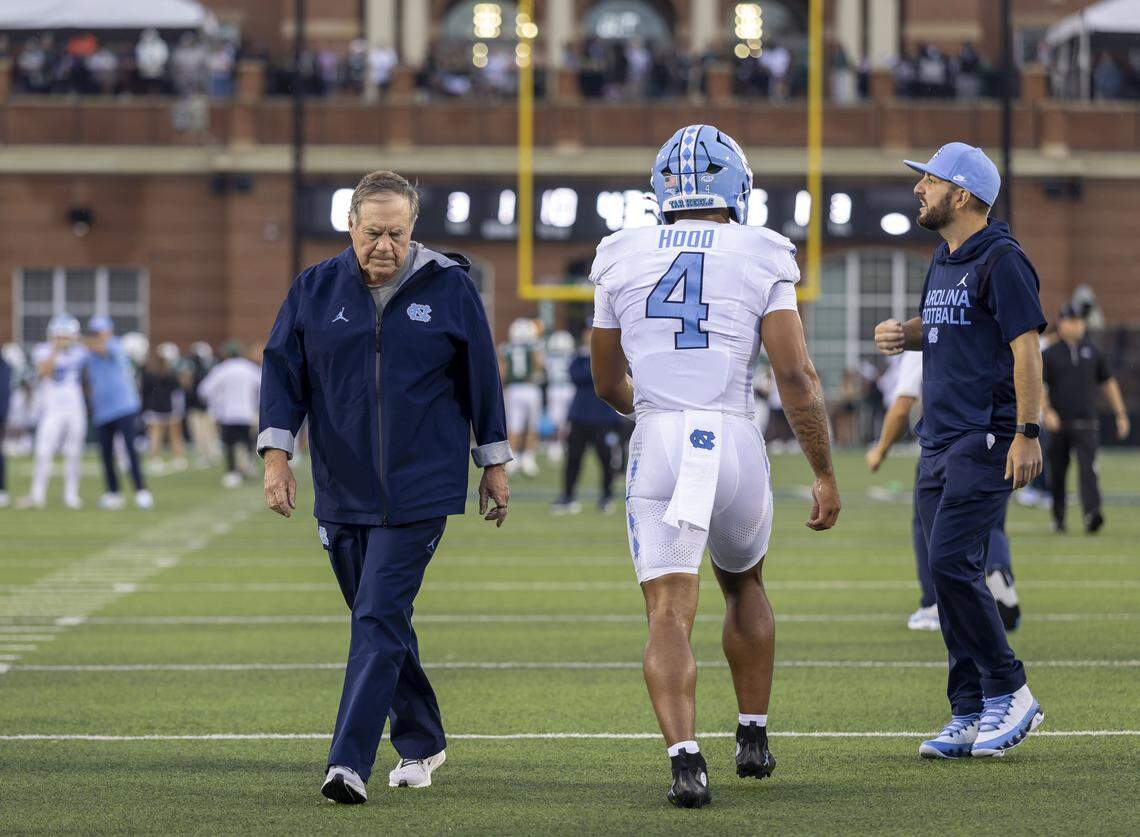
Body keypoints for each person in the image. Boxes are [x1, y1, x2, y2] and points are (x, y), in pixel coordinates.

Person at [590, 124, 841, 808]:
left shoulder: (619, 251)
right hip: (731, 434)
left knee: (668, 613)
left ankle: (684, 760)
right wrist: (822, 469)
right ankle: (753, 734)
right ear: (737, 188)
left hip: (664, 433)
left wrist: (656, 410)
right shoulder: (762, 249)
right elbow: (796, 374)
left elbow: (607, 380)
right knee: (745, 582)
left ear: (660, 193)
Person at [258, 170, 512, 805]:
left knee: (376, 615)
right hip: (340, 487)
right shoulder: (314, 289)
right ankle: (423, 739)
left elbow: (483, 375)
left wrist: (495, 463)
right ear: (351, 227)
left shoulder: (449, 287)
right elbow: (282, 373)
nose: (385, 246)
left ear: (412, 229)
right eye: (373, 233)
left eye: (397, 234)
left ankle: (348, 762)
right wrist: (276, 457)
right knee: (379, 617)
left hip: (422, 488)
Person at [874, 141, 1046, 760]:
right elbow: (952, 325)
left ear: (963, 194)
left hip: (986, 435)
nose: (919, 188)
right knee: (944, 578)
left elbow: (1025, 347)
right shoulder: (944, 257)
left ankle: (1011, 690)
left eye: (930, 180)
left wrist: (1028, 434)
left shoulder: (1002, 258)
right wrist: (907, 333)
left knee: (951, 564)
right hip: (938, 438)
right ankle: (968, 708)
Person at [866, 350, 1020, 632]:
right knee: (989, 521)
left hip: (945, 444)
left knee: (928, 526)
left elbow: (903, 403)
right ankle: (998, 570)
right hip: (993, 438)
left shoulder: (935, 325)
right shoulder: (983, 323)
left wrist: (880, 449)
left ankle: (935, 603)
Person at [1042, 304, 1130, 533]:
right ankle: (1058, 517)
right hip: (1059, 424)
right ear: (1061, 323)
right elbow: (1040, 386)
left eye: (1080, 321)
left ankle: (1092, 514)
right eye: (1072, 320)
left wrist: (1120, 414)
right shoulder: (1049, 354)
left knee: (1089, 470)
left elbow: (1108, 383)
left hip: (1086, 423)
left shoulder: (1093, 351)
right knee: (1058, 472)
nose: (1077, 325)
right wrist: (1047, 411)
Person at [550, 324, 622, 515]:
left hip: (604, 418)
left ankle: (607, 497)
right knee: (573, 459)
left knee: (607, 461)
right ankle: (567, 497)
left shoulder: (612, 355)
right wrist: (594, 359)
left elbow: (612, 378)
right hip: (580, 416)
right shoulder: (580, 357)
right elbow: (577, 376)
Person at [84, 316, 152, 510]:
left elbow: (100, 348)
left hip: (124, 407)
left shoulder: (115, 346)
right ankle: (113, 493)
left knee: (130, 451)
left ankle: (141, 491)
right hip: (102, 410)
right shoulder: (89, 352)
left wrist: (75, 339)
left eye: (102, 331)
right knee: (106, 454)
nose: (99, 335)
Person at [20, 314, 88, 509]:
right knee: (43, 451)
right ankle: (37, 494)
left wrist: (74, 340)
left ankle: (71, 495)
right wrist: (56, 349)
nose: (62, 339)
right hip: (52, 409)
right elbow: (44, 371)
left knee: (74, 453)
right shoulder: (42, 350)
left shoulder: (80, 351)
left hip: (75, 409)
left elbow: (92, 348)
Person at [198, 341, 262, 488]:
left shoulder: (222, 369)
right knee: (247, 441)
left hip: (228, 414)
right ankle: (249, 466)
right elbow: (263, 387)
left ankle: (232, 472)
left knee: (229, 444)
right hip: (247, 412)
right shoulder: (249, 368)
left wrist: (216, 402)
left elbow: (204, 390)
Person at [499, 318, 543, 476]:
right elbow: (539, 364)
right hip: (530, 388)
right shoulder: (534, 347)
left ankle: (513, 459)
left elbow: (502, 372)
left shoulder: (506, 348)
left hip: (513, 389)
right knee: (532, 425)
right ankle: (528, 459)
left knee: (514, 425)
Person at [140, 345, 187, 471]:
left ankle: (156, 459)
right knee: (173, 435)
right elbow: (178, 391)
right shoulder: (170, 375)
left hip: (155, 408)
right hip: (167, 408)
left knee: (156, 436)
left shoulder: (149, 374)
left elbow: (144, 392)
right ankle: (178, 458)